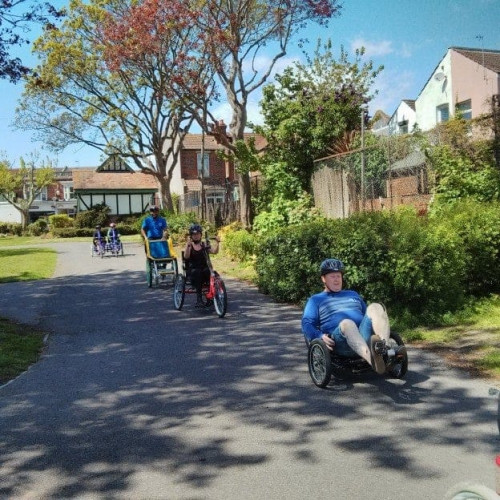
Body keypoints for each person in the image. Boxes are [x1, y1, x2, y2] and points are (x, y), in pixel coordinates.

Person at [301, 258, 406, 375]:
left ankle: (384, 350)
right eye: (332, 276)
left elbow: (369, 315)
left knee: (375, 306)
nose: (336, 280)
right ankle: (373, 361)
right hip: (340, 342)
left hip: (363, 335)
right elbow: (306, 324)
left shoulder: (352, 294)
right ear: (323, 279)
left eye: (338, 276)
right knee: (347, 323)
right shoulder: (315, 300)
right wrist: (319, 336)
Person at [183, 223, 220, 307]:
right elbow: (186, 256)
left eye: (197, 234)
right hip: (193, 271)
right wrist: (188, 246)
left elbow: (214, 251)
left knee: (210, 272)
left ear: (200, 235)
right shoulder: (190, 245)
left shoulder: (204, 245)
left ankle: (210, 297)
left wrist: (217, 243)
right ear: (191, 236)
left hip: (204, 269)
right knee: (198, 272)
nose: (196, 236)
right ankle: (199, 299)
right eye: (194, 234)